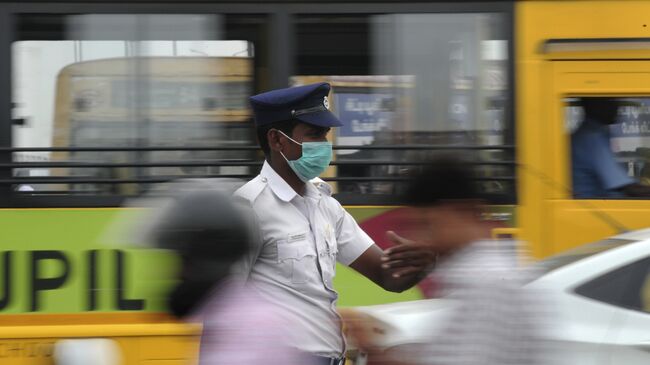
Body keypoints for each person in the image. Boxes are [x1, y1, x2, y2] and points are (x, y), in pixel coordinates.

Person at [234, 82, 436, 364]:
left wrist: (421, 263)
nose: (324, 144)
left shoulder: (326, 205)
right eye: (314, 134)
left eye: (325, 134)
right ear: (276, 140)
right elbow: (223, 305)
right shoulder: (248, 209)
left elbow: (387, 276)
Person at [349, 157, 550, 365]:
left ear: (463, 211)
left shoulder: (484, 282)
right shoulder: (478, 274)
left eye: (427, 224)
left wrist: (378, 356)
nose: (420, 238)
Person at [152, 189, 309, 365]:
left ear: (204, 258)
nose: (176, 275)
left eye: (182, 261)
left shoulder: (252, 329)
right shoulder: (219, 320)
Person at [572, 97, 650, 198]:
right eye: (611, 101)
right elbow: (627, 188)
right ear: (597, 106)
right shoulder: (593, 138)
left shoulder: (589, 133)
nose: (617, 107)